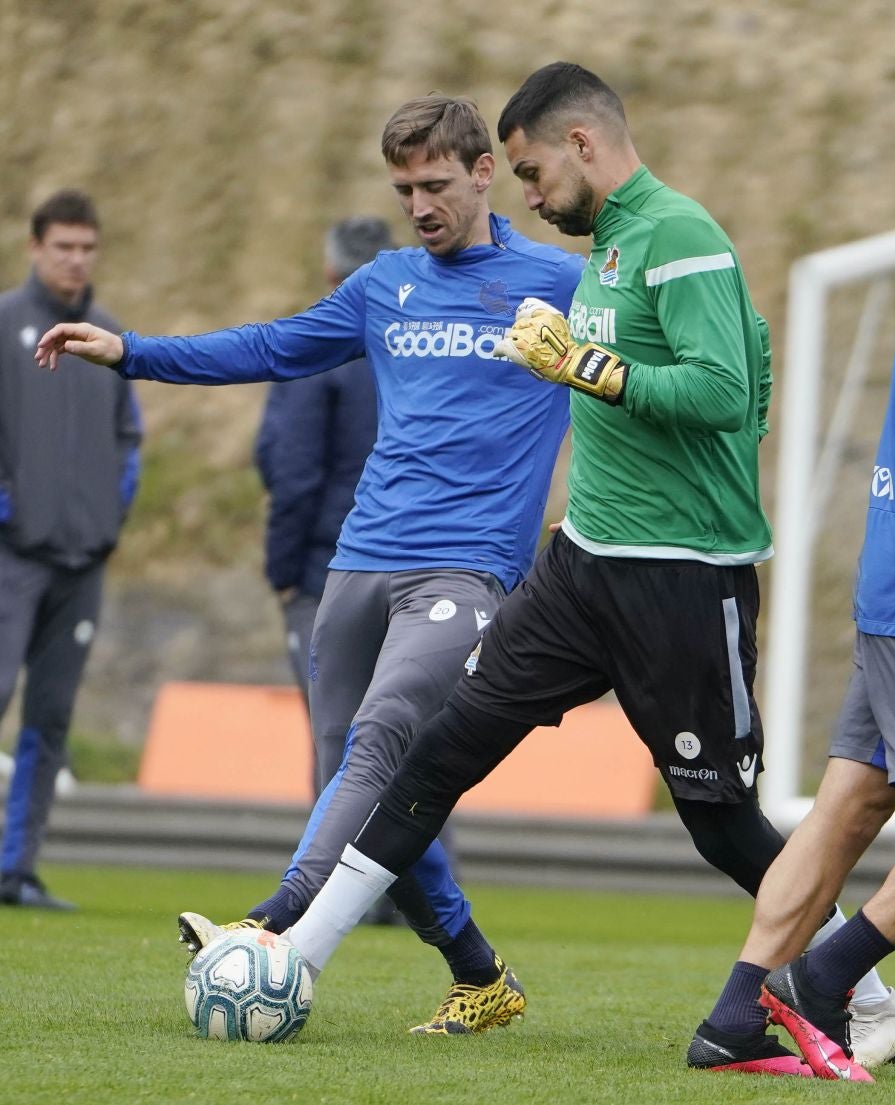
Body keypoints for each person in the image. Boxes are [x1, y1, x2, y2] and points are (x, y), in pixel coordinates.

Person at [171, 62, 895, 1064]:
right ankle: (298, 955)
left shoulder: (679, 233)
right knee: (438, 750)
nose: (525, 195)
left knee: (722, 822)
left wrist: (583, 367)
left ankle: (865, 992)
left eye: (528, 172)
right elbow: (752, 351)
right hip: (580, 568)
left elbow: (726, 388)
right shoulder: (603, 247)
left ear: (582, 147)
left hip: (682, 580)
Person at [35, 95, 585, 1033]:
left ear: (486, 173)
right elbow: (270, 347)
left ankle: (269, 922)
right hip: (359, 559)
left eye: (437, 184)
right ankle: (478, 970)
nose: (420, 203)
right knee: (359, 776)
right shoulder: (384, 284)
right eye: (404, 187)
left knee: (377, 742)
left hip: (462, 572)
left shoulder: (561, 283)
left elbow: (658, 362)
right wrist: (132, 352)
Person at [685, 336, 895, 1082]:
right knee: (840, 813)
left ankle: (735, 1018)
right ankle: (820, 978)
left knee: (845, 811)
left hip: (888, 592)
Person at [0, 189, 141, 910]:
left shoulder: (105, 335)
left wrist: (107, 521)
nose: (76, 259)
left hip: (82, 565)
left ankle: (14, 871)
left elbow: (129, 440)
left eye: (87, 247)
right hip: (12, 559)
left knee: (49, 722)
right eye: (64, 246)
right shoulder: (3, 326)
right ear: (35, 248)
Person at [254, 216, 391, 795]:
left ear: (332, 270)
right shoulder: (424, 343)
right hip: (419, 567)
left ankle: (332, 885)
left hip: (328, 571)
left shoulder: (317, 343)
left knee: (337, 745)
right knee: (403, 742)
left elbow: (292, 469)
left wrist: (284, 573)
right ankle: (431, 886)